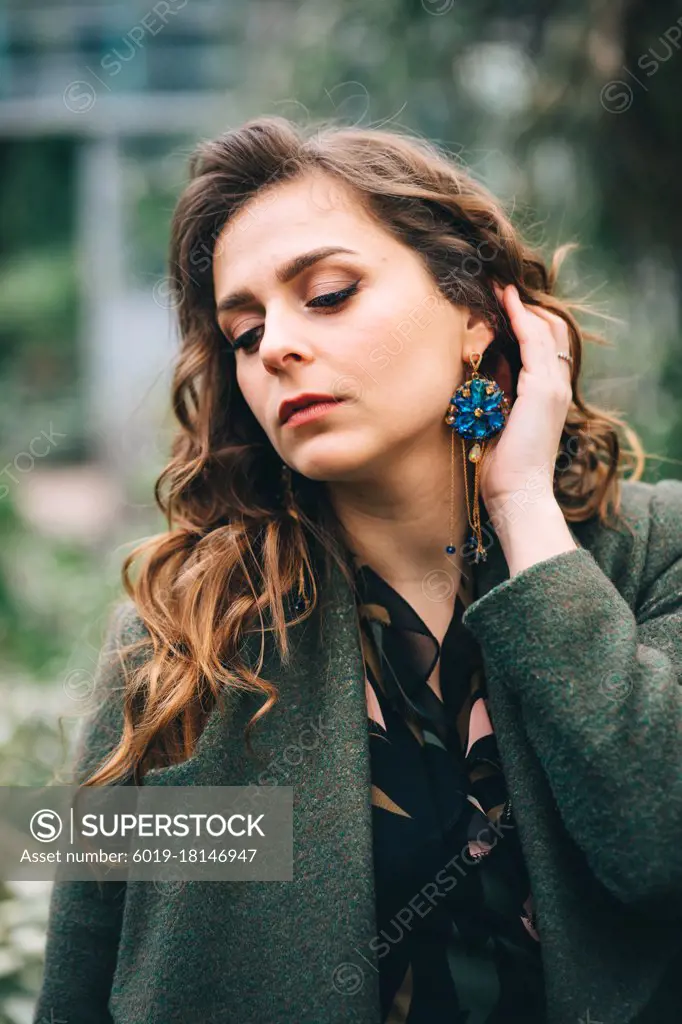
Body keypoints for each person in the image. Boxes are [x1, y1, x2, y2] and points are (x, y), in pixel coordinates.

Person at [34, 116, 682, 1024]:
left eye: (329, 293)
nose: (277, 349)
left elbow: (658, 847)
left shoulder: (657, 552)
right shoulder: (180, 637)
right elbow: (77, 988)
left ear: (476, 315)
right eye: (245, 331)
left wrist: (524, 504)